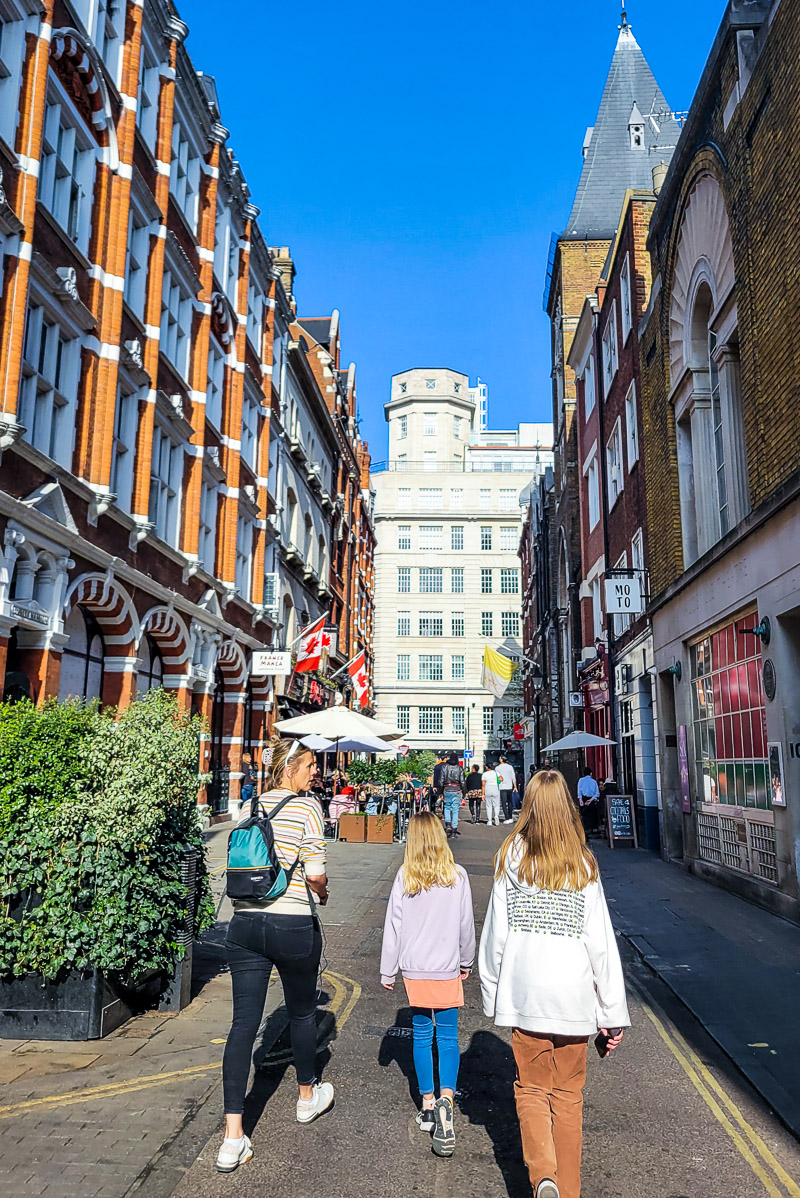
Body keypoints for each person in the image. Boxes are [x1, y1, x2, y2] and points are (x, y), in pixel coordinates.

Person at [479, 770, 629, 1198]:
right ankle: (570, 1190)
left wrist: (492, 995)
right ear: (567, 805)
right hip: (573, 997)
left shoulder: (512, 856)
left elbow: (495, 935)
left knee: (530, 1089)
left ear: (528, 805)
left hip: (526, 994)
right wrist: (612, 1015)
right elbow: (600, 944)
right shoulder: (582, 861)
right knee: (568, 1098)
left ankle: (543, 1175)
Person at [217, 737, 333, 1173]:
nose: (314, 774)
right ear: (289, 769)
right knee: (302, 1014)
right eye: (309, 767)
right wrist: (321, 892)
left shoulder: (250, 806)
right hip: (290, 924)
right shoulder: (307, 808)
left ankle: (233, 1138)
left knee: (243, 1024)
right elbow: (317, 873)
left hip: (244, 924)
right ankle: (307, 1098)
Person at [380, 812, 475, 1158]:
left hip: (415, 970)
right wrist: (466, 960)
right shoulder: (458, 875)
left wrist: (387, 971)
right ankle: (448, 1098)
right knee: (448, 1036)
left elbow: (394, 926)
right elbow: (466, 925)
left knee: (422, 1035)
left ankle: (428, 1103)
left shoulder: (406, 876)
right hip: (446, 966)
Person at [440, 753, 465, 836]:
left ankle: (448, 824)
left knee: (447, 807)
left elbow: (441, 781)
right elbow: (462, 782)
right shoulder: (460, 768)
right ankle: (454, 829)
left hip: (447, 788)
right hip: (457, 789)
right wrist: (464, 793)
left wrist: (440, 792)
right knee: (455, 809)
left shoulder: (445, 767)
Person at [577, 767, 601, 837]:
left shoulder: (581, 780)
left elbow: (579, 791)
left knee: (584, 816)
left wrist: (580, 800)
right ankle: (590, 830)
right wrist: (591, 800)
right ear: (591, 774)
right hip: (591, 800)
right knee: (591, 815)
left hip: (583, 798)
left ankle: (584, 831)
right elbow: (597, 793)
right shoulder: (594, 782)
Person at [496, 755, 517, 825]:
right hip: (509, 787)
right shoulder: (510, 767)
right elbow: (513, 777)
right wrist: (515, 786)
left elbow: (498, 778)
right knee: (510, 802)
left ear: (501, 760)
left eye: (500, 758)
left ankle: (506, 817)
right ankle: (510, 817)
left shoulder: (497, 768)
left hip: (502, 787)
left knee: (504, 803)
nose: (499, 759)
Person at [482, 762, 502, 827]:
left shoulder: (484, 774)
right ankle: (496, 815)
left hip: (488, 788)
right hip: (495, 788)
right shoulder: (496, 772)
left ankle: (489, 821)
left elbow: (483, 784)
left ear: (487, 767)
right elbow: (501, 779)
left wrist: (483, 794)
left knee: (489, 805)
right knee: (496, 804)